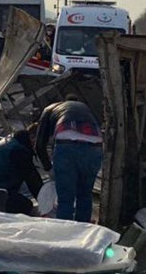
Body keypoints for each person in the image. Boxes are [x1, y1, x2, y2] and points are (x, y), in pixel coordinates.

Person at [35, 95, 103, 223]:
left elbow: (39, 144)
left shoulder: (50, 108)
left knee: (66, 197)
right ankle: (82, 233)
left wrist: (48, 168)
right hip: (95, 148)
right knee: (85, 195)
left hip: (67, 147)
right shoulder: (87, 110)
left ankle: (65, 234)